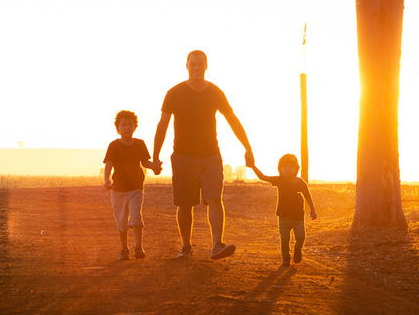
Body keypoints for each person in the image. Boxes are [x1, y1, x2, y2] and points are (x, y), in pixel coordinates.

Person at [151, 50, 254, 259]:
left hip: (210, 156)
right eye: (193, 64)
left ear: (206, 66)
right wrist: (155, 156)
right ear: (187, 66)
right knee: (185, 204)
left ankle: (217, 245)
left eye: (200, 64)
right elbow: (162, 125)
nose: (196, 67)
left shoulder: (215, 92)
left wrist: (248, 147)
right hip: (183, 156)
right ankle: (186, 246)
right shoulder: (174, 93)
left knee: (215, 198)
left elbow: (232, 119)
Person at [103, 110, 155, 259]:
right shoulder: (113, 145)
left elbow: (145, 162)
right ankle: (124, 249)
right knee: (121, 219)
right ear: (118, 128)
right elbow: (109, 164)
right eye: (124, 125)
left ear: (135, 127)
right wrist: (106, 179)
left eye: (130, 125)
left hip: (136, 188)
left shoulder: (140, 144)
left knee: (136, 217)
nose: (127, 128)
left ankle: (139, 247)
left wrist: (155, 167)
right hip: (118, 189)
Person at [248, 153, 317, 265]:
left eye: (291, 167)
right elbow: (263, 177)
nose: (288, 169)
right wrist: (253, 167)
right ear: (280, 169)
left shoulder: (301, 183)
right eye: (284, 167)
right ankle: (285, 258)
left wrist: (313, 210)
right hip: (283, 217)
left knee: (301, 236)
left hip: (298, 217)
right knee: (284, 239)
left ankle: (297, 249)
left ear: (296, 169)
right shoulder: (279, 180)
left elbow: (308, 196)